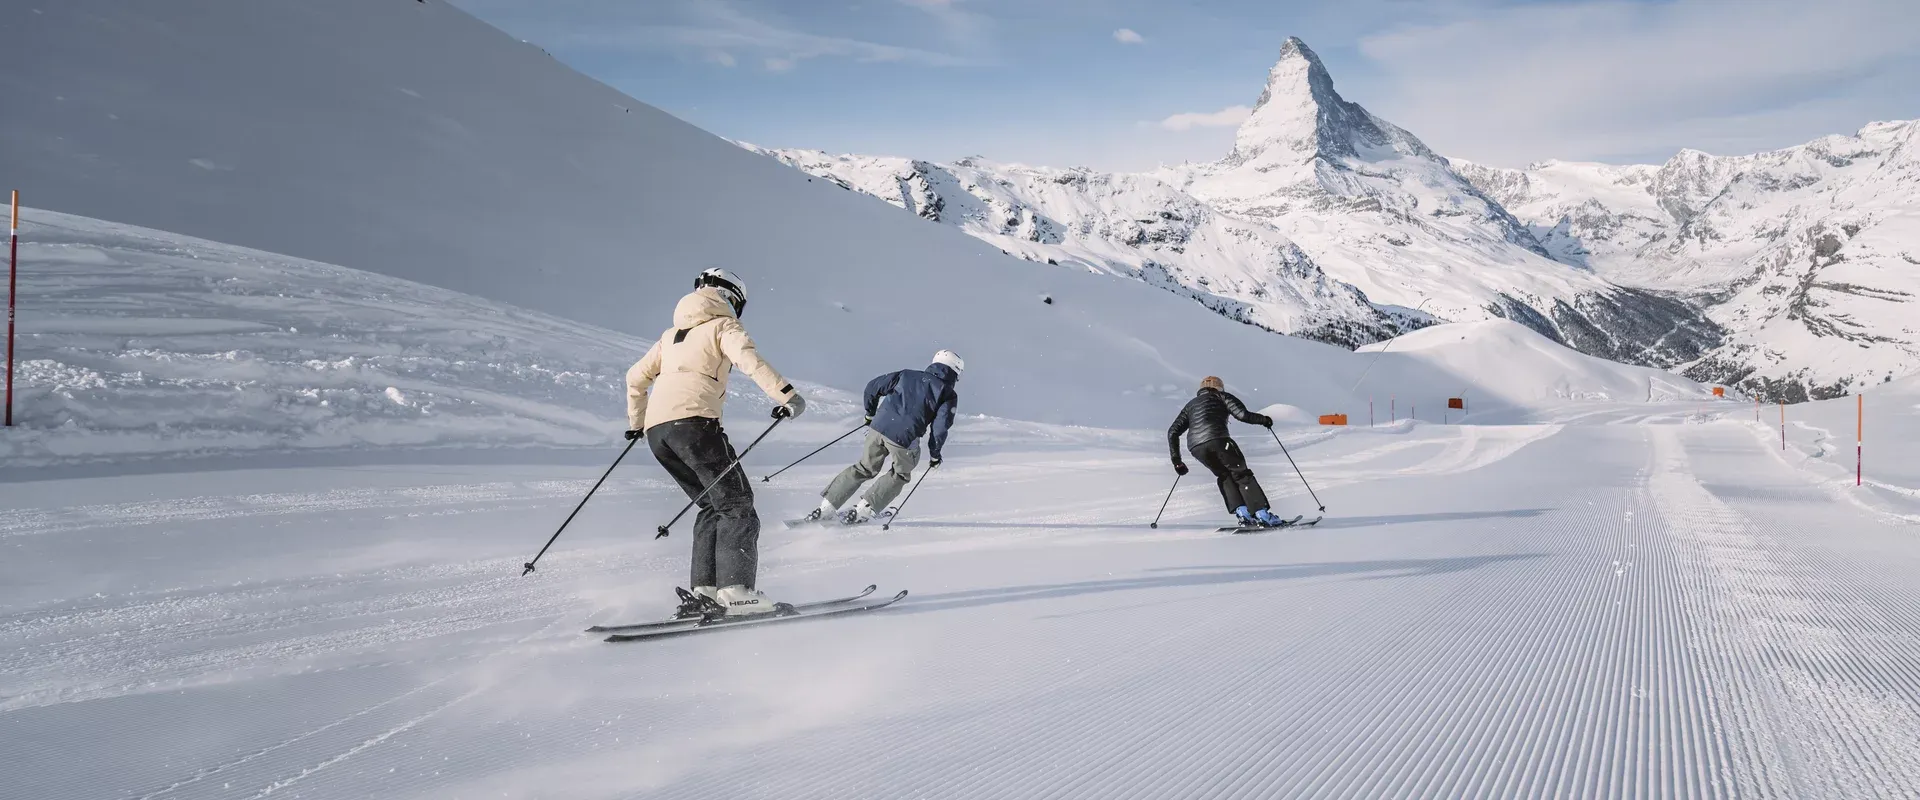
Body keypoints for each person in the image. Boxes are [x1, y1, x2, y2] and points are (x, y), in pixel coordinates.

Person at [626, 268, 805, 617]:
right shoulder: (723, 326)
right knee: (738, 505)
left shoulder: (670, 336)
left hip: (658, 434)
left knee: (712, 505)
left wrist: (636, 423)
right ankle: (736, 592)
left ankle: (705, 591)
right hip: (695, 426)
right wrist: (788, 395)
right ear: (729, 297)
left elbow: (635, 378)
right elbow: (750, 361)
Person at [808, 350, 963, 525]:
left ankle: (826, 507)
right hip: (905, 438)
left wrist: (870, 414)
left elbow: (873, 387)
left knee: (864, 468)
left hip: (878, 428)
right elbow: (940, 427)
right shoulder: (947, 393)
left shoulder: (906, 375)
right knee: (900, 474)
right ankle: (863, 510)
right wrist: (935, 454)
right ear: (954, 371)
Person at [1167, 376, 1285, 528]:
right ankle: (1263, 515)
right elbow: (1243, 415)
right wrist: (1264, 420)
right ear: (1220, 388)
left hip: (1196, 448)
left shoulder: (1190, 406)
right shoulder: (1221, 396)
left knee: (1224, 476)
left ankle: (1243, 515)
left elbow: (1172, 432)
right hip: (1219, 440)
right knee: (1241, 474)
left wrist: (1177, 461)